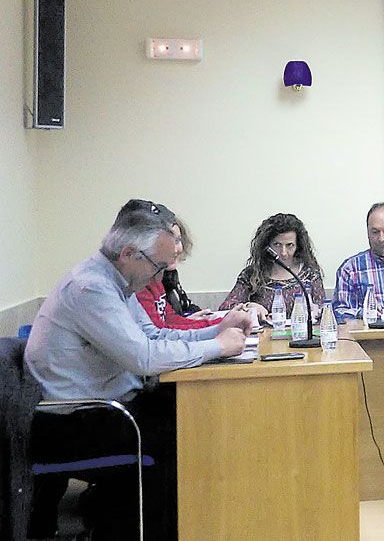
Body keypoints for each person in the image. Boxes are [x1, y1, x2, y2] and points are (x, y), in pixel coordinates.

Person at [24, 203, 252, 540]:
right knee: (188, 434)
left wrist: (218, 328)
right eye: (157, 266)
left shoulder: (117, 281)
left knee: (195, 417)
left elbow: (155, 336)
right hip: (72, 421)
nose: (160, 277)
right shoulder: (91, 289)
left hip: (103, 408)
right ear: (130, 253)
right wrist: (218, 346)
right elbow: (144, 357)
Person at [131, 204, 226, 329]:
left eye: (178, 240)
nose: (177, 249)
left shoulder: (159, 279)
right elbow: (160, 332)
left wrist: (222, 322)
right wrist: (220, 325)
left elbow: (171, 318)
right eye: (168, 242)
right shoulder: (139, 283)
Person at [220, 213, 325, 319]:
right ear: (267, 246)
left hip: (299, 333)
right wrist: (248, 307)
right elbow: (225, 309)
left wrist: (317, 312)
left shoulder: (310, 274)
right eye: (277, 245)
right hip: (262, 334)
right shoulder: (252, 274)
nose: (283, 253)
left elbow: (323, 310)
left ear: (298, 246)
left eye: (290, 245)